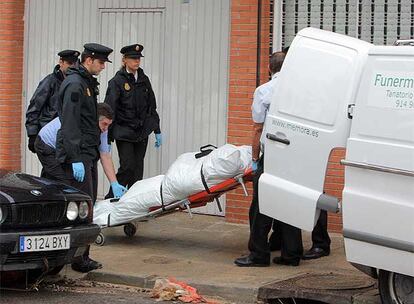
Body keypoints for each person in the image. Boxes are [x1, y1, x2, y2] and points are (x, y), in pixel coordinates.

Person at [234, 51, 303, 267]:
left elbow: (257, 128)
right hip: (295, 154)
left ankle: (259, 254)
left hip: (273, 152)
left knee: (260, 205)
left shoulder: (264, 91)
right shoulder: (300, 91)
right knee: (290, 202)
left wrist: (255, 159)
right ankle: (292, 254)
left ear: (269, 69)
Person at [55, 43, 113, 272]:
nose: (102, 67)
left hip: (87, 155)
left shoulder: (87, 82)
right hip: (77, 157)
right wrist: (76, 157)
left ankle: (80, 257)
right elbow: (70, 123)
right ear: (88, 60)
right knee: (80, 208)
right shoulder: (75, 85)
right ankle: (74, 258)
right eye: (100, 63)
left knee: (86, 206)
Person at [35, 103, 128, 199]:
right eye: (104, 124)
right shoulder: (79, 122)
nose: (106, 129)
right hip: (47, 145)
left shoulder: (102, 129)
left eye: (109, 125)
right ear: (94, 119)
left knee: (83, 181)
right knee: (65, 182)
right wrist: (75, 160)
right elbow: (65, 141)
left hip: (66, 147)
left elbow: (105, 155)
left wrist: (114, 183)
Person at [104, 43, 162, 196]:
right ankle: (112, 198)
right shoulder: (116, 82)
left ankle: (132, 203)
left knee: (137, 171)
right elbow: (109, 110)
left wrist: (157, 130)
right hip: (124, 132)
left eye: (138, 59)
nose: (137, 61)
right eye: (133, 58)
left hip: (141, 133)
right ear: (124, 60)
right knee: (127, 167)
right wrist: (107, 138)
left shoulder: (144, 80)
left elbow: (152, 106)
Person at [25, 49, 80, 154]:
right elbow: (34, 108)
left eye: (74, 63)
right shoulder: (50, 82)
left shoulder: (76, 82)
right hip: (49, 134)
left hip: (67, 134)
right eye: (69, 63)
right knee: (53, 168)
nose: (72, 66)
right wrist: (32, 134)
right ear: (61, 62)